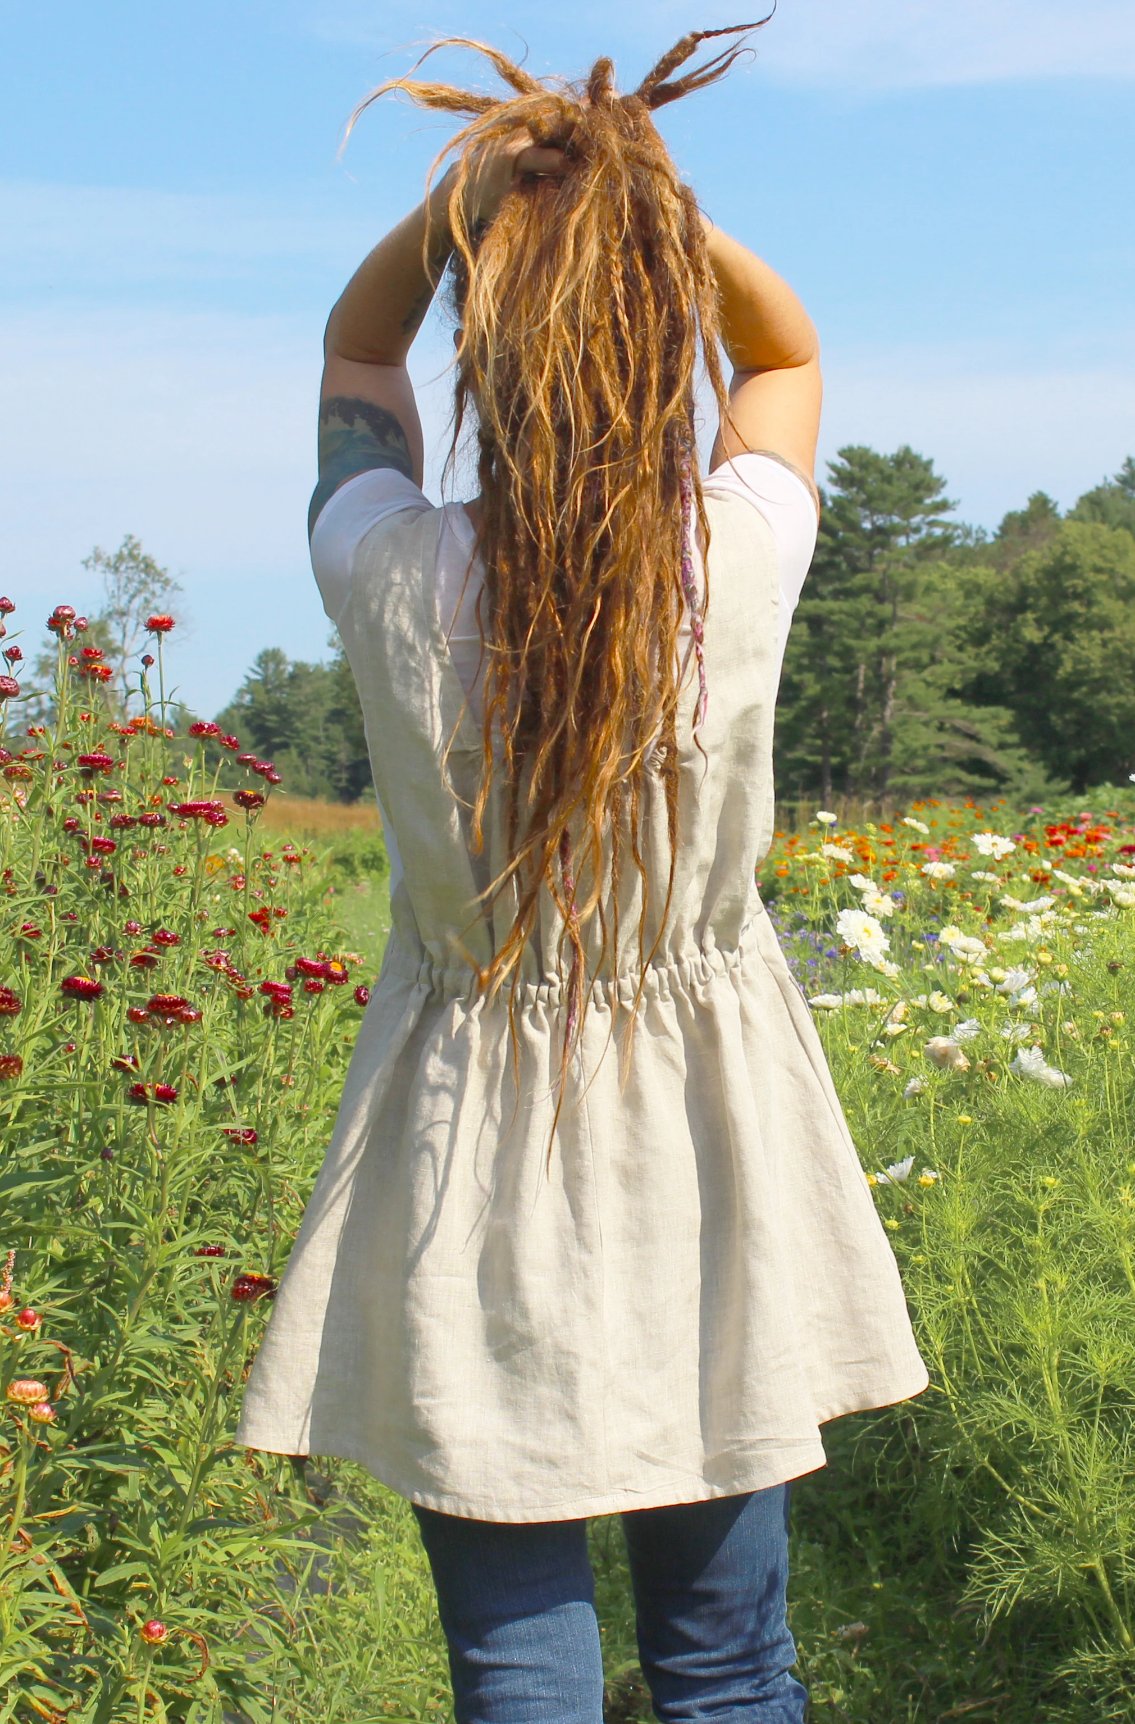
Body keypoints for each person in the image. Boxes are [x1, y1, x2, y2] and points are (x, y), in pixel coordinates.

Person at [235, 24, 930, 1722]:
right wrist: (654, 225)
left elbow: (353, 354)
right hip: (709, 1135)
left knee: (512, 1659)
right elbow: (789, 356)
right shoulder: (737, 565)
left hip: (464, 1135)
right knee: (730, 1660)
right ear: (647, 337)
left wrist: (465, 213)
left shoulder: (389, 569)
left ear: (493, 348)